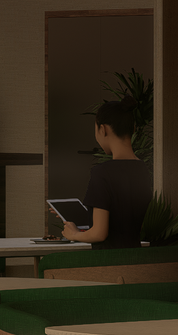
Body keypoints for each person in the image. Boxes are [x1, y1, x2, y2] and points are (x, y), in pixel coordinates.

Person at [60, 102, 151, 247]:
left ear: (103, 129)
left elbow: (99, 234)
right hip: (136, 258)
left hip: (108, 263)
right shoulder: (143, 169)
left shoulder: (102, 172)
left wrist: (74, 234)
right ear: (133, 128)